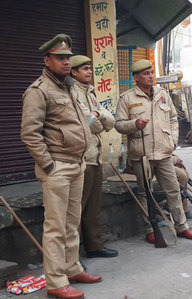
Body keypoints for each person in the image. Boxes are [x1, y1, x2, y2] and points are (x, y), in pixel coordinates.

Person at [20, 34, 101, 299]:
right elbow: (30, 133)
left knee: (70, 222)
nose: (66, 62)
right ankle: (56, 282)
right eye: (60, 58)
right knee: (55, 226)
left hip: (76, 163)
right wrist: (48, 165)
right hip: (57, 167)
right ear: (47, 60)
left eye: (68, 57)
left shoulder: (69, 87)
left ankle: (72, 268)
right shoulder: (39, 91)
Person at [114, 59, 192, 244]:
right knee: (145, 193)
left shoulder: (162, 94)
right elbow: (119, 125)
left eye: (151, 72)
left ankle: (182, 227)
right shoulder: (127, 98)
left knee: (174, 190)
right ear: (136, 77)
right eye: (145, 73)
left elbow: (174, 119)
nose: (150, 75)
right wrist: (134, 124)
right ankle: (149, 229)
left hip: (163, 152)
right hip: (141, 154)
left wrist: (172, 140)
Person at [70, 55, 118, 259]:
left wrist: (97, 116)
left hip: (96, 155)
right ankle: (73, 256)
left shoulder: (90, 93)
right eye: (84, 69)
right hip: (83, 157)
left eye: (90, 68)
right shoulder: (72, 92)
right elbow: (90, 123)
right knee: (76, 209)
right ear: (73, 72)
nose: (89, 72)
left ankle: (95, 246)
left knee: (94, 206)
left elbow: (110, 120)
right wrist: (97, 118)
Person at [172, 155, 192, 220]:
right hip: (157, 162)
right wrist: (174, 160)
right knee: (181, 175)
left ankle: (181, 205)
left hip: (165, 159)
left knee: (183, 172)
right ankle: (183, 209)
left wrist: (176, 158)